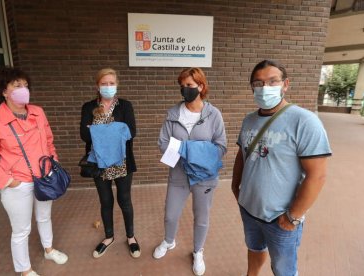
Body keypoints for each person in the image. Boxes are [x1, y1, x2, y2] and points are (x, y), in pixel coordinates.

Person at [231, 59, 332, 276]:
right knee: (254, 248)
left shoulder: (304, 121)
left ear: (285, 84)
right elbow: (242, 154)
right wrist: (235, 186)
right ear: (252, 88)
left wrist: (293, 216)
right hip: (249, 208)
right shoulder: (249, 120)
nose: (265, 88)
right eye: (258, 83)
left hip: (280, 217)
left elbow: (318, 175)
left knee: (283, 269)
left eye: (272, 81)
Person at [0, 66, 68, 276]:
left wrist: (52, 162)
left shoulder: (38, 112)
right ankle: (25, 270)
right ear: (4, 91)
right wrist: (9, 181)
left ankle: (49, 250)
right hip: (18, 183)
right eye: (17, 86)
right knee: (21, 230)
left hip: (44, 178)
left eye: (25, 85)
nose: (23, 90)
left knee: (44, 218)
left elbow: (48, 140)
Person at [154, 67, 227, 276]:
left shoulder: (214, 115)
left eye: (190, 85)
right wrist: (188, 151)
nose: (185, 89)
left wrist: (188, 149)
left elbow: (221, 147)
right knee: (170, 215)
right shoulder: (173, 114)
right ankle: (169, 241)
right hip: (178, 175)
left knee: (201, 217)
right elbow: (162, 143)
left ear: (201, 86)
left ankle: (198, 251)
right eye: (182, 85)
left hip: (204, 177)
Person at [80, 68, 140, 258]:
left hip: (122, 162)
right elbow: (84, 135)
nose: (108, 87)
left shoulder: (125, 106)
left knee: (124, 200)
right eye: (104, 83)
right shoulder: (88, 107)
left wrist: (97, 131)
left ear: (117, 84)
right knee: (105, 201)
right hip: (98, 162)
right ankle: (109, 237)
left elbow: (131, 133)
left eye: (111, 83)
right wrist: (115, 130)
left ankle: (131, 237)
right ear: (98, 85)